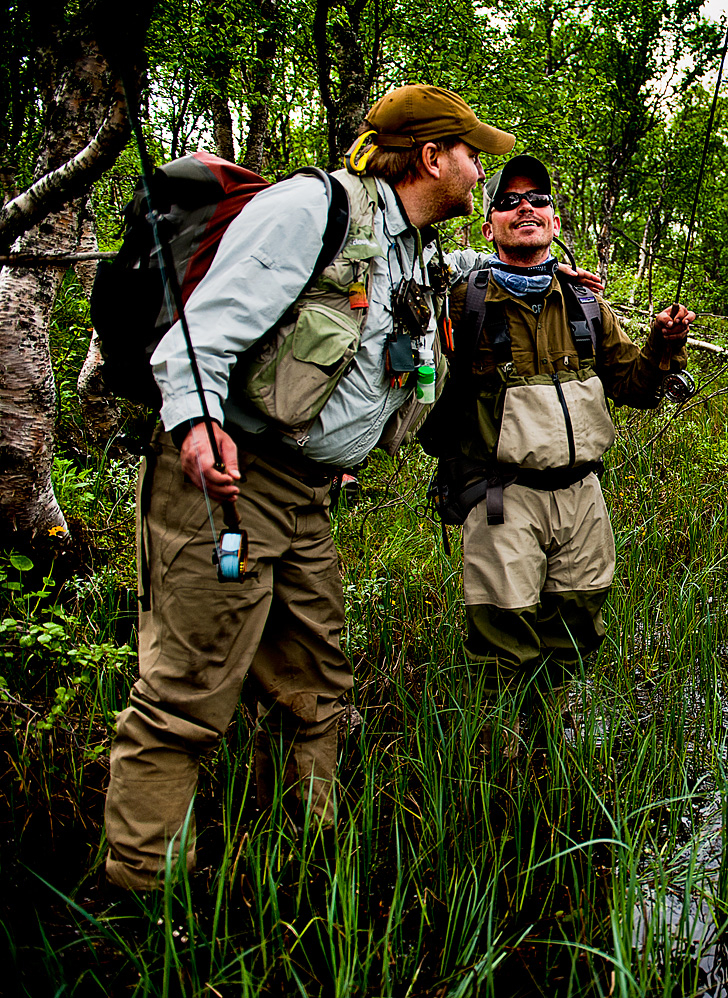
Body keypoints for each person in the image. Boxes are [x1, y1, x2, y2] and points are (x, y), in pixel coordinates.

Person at [103, 85, 514, 891]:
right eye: (472, 154)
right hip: (229, 485)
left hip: (308, 498)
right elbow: (204, 332)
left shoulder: (414, 249)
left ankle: (312, 856)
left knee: (318, 679)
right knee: (188, 690)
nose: (479, 171)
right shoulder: (311, 209)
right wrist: (195, 427)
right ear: (431, 157)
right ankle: (142, 899)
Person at [419, 154, 694, 745]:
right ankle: (498, 772)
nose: (526, 207)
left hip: (583, 499)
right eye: (510, 200)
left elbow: (633, 387)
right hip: (501, 498)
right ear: (488, 224)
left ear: (556, 221)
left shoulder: (588, 306)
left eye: (538, 199)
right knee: (501, 644)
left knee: (573, 633)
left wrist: (664, 344)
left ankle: (546, 747)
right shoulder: (461, 299)